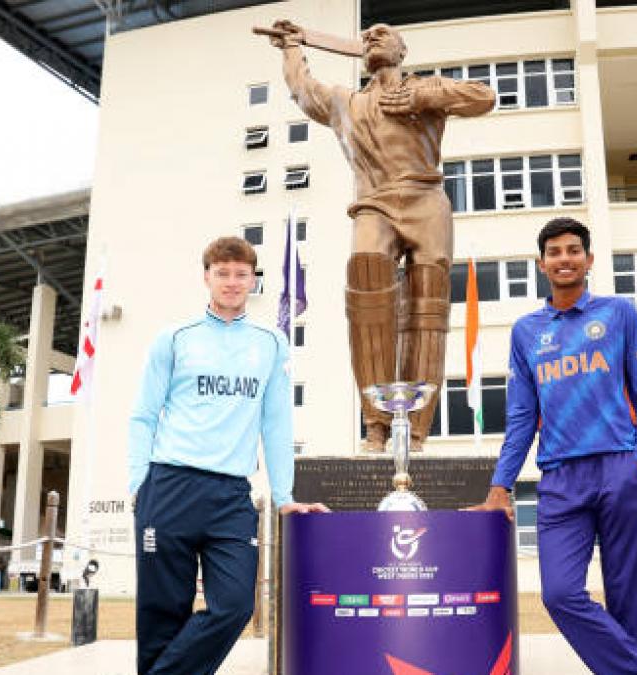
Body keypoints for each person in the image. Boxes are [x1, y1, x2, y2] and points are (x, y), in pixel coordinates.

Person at [268, 20, 495, 451]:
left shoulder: (425, 91)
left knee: (427, 310)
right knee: (366, 274)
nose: (373, 37)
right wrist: (292, 48)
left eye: (383, 33)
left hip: (427, 201)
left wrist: (427, 93)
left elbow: (484, 97)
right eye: (368, 34)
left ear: (401, 50)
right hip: (374, 202)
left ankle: (417, 433)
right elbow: (303, 89)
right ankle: (376, 424)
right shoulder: (345, 102)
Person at [471, 218, 637, 674]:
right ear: (542, 264)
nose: (565, 258)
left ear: (589, 260)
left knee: (627, 601)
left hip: (620, 469)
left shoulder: (619, 314)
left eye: (573, 250)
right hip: (559, 480)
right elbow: (521, 416)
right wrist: (501, 483)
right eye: (555, 252)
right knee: (559, 594)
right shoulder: (526, 332)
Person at [128, 236, 329, 675]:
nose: (233, 282)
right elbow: (143, 416)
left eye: (241, 274)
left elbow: (276, 423)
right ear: (206, 277)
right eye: (223, 273)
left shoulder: (271, 343)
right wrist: (138, 484)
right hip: (169, 487)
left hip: (230, 495)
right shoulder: (174, 339)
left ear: (253, 279)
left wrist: (283, 494)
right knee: (163, 616)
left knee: (236, 605)